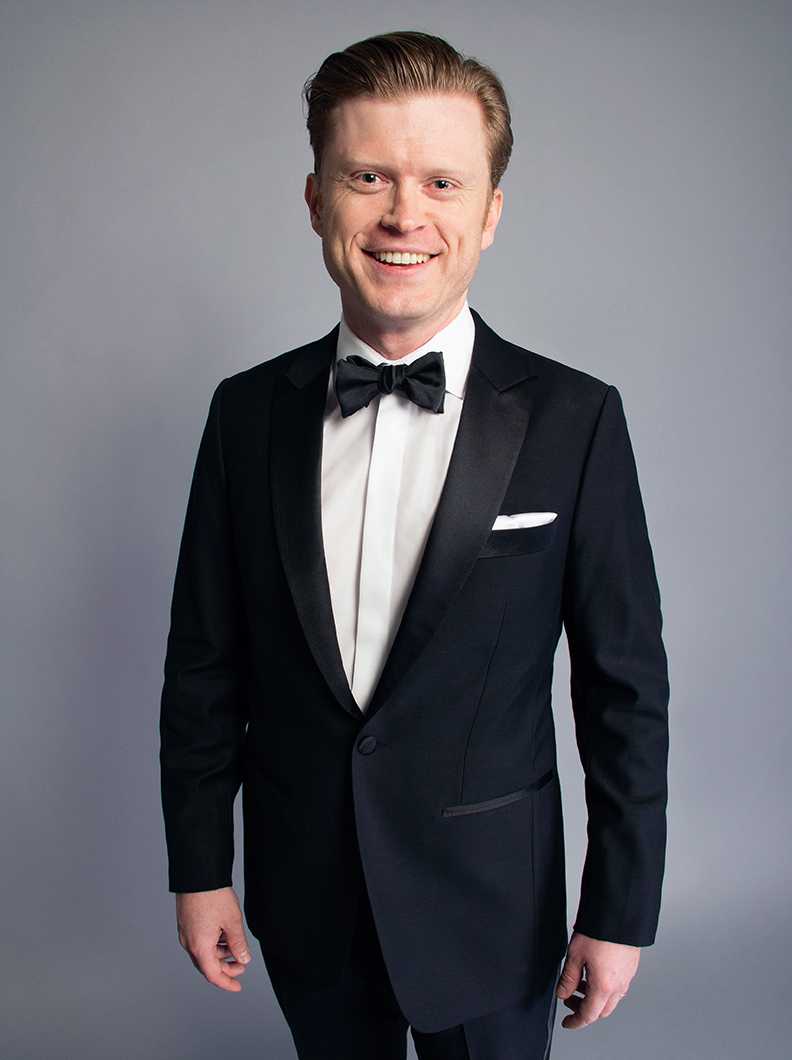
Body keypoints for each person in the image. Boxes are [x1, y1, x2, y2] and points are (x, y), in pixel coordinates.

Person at [160, 30, 669, 1060]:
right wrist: (201, 868)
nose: (405, 214)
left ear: (490, 212)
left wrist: (620, 909)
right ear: (317, 200)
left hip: (493, 908)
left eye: (442, 181)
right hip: (307, 899)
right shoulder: (245, 416)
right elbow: (206, 668)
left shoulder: (576, 419)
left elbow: (624, 692)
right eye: (368, 177)